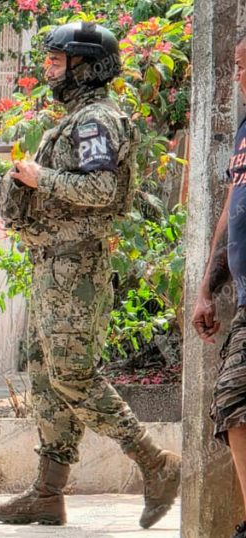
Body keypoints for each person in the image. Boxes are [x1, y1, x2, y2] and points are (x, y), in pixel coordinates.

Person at [0, 22, 180, 528]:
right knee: (46, 376)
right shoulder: (76, 118)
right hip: (54, 264)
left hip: (75, 268)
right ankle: (47, 494)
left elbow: (102, 189)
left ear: (86, 66)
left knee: (72, 375)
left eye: (57, 60)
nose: (48, 68)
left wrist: (36, 176)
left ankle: (157, 465)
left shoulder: (96, 120)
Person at [191, 35, 246, 538]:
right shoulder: (245, 131)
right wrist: (208, 287)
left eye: (244, 66)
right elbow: (232, 207)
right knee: (233, 399)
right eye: (235, 64)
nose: (238, 76)